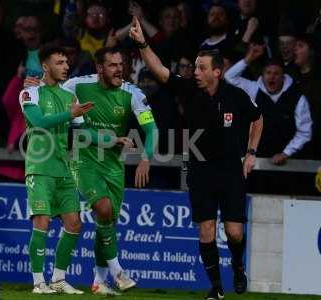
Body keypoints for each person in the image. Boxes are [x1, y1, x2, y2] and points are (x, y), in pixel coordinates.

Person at [129, 17, 263, 300]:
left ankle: (238, 267)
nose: (196, 71)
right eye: (195, 67)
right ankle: (216, 288)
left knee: (235, 233)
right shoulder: (188, 90)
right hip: (200, 169)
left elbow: (258, 118)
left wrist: (250, 154)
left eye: (202, 68)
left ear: (217, 71)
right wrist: (142, 43)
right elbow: (159, 69)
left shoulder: (236, 96)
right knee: (206, 232)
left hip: (230, 170)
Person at [62, 47, 158, 295]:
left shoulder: (132, 93)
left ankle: (98, 282)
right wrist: (35, 85)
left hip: (114, 166)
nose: (119, 69)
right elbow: (52, 93)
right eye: (113, 65)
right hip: (83, 160)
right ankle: (118, 273)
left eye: (121, 64)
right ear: (100, 68)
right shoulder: (77, 86)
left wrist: (146, 158)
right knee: (103, 209)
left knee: (107, 222)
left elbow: (152, 130)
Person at [19, 44, 94, 294]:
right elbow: (39, 123)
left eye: (66, 62)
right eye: (60, 62)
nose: (65, 66)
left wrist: (113, 139)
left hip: (65, 168)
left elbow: (82, 132)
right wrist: (68, 114)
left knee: (74, 223)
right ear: (45, 66)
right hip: (39, 167)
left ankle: (59, 280)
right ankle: (39, 282)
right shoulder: (30, 92)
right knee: (42, 221)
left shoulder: (69, 96)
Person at [225, 43, 312, 164]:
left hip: (289, 163)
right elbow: (229, 77)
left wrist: (286, 153)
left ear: (283, 76)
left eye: (276, 73)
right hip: (257, 162)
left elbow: (305, 131)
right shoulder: (254, 89)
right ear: (263, 74)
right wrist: (249, 58)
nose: (272, 77)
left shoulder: (297, 98)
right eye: (268, 73)